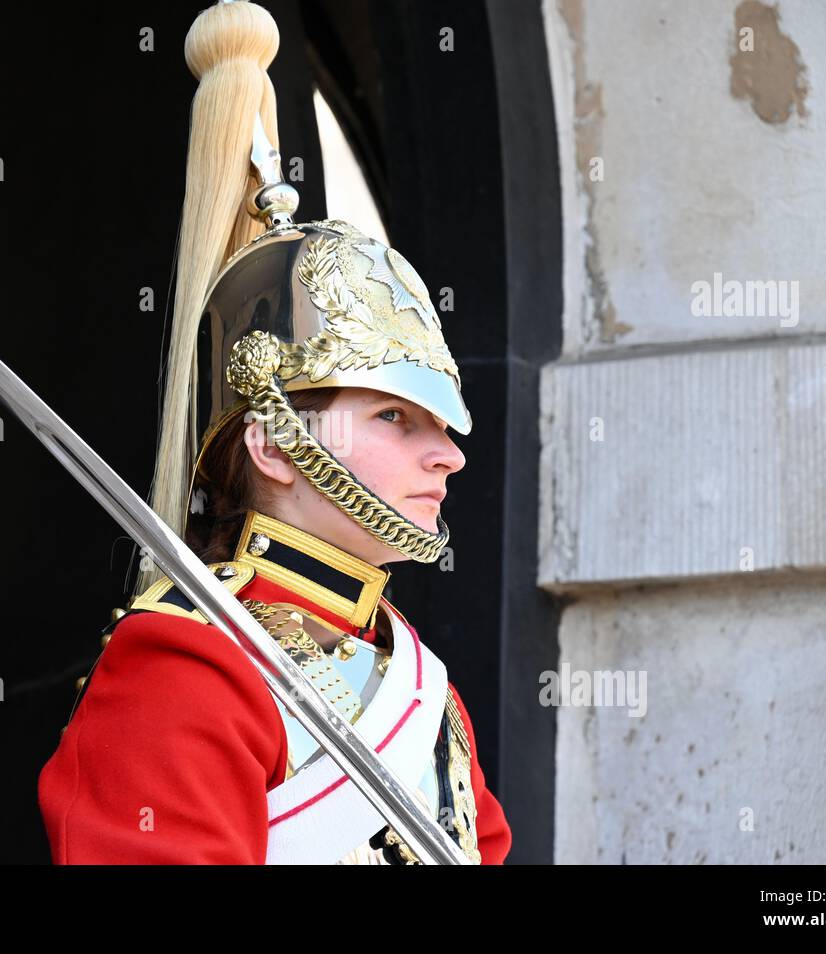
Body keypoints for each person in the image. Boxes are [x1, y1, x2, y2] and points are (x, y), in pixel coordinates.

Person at [37, 0, 511, 865]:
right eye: (395, 418)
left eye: (439, 425)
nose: (447, 454)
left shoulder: (423, 692)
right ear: (274, 442)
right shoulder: (184, 661)